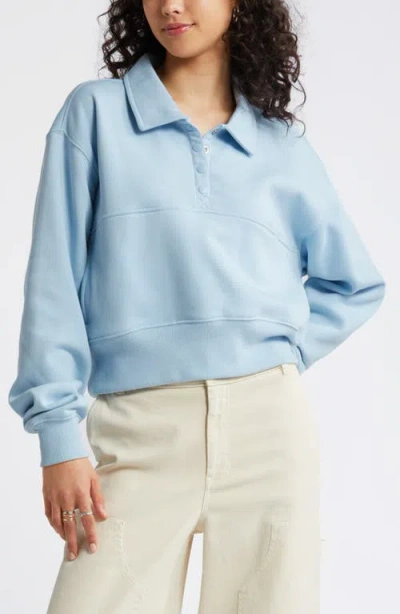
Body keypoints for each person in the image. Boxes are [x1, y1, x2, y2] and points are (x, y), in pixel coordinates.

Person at [8, 1, 386, 612]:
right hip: (137, 432)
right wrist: (58, 436)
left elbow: (354, 282)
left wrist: (276, 349)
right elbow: (53, 280)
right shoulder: (96, 114)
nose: (171, 6)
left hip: (269, 433)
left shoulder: (280, 144)